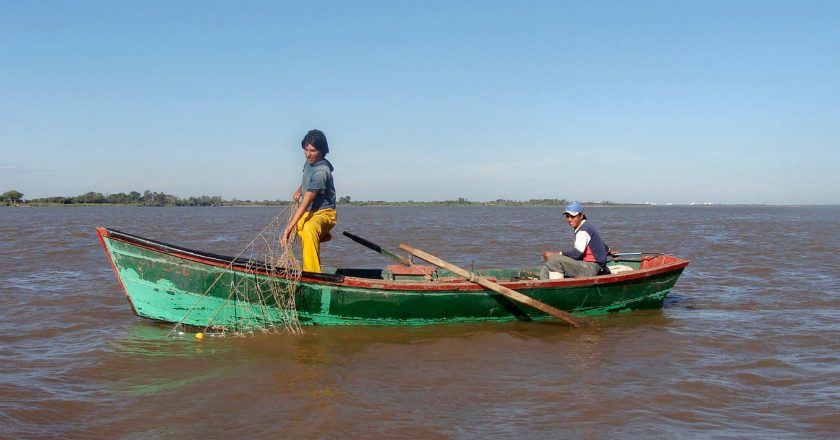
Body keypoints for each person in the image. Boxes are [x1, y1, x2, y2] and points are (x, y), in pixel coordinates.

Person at [282, 129, 337, 273]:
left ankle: (312, 274)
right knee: (300, 224)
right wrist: (299, 190)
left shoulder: (321, 172)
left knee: (308, 228)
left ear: (322, 151)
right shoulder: (308, 164)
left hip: (324, 214)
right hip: (310, 211)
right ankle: (322, 235)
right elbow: (307, 181)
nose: (308, 154)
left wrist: (288, 229)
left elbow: (305, 203)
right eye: (305, 150)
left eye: (312, 150)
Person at [539, 201, 615, 280]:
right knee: (546, 269)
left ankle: (556, 287)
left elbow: (576, 254)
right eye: (567, 216)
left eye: (573, 216)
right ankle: (545, 286)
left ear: (581, 216)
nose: (569, 220)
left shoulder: (583, 230)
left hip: (592, 268)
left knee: (554, 259)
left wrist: (556, 254)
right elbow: (600, 243)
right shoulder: (587, 227)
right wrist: (609, 251)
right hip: (591, 266)